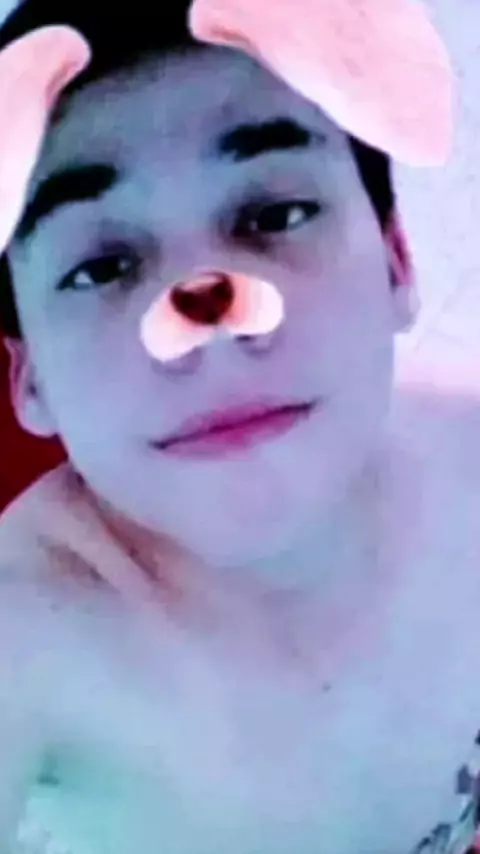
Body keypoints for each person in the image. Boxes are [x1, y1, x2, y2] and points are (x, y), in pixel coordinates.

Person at [1, 1, 480, 852]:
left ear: (398, 263)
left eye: (276, 215)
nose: (212, 323)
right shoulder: (25, 638)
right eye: (101, 267)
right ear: (29, 377)